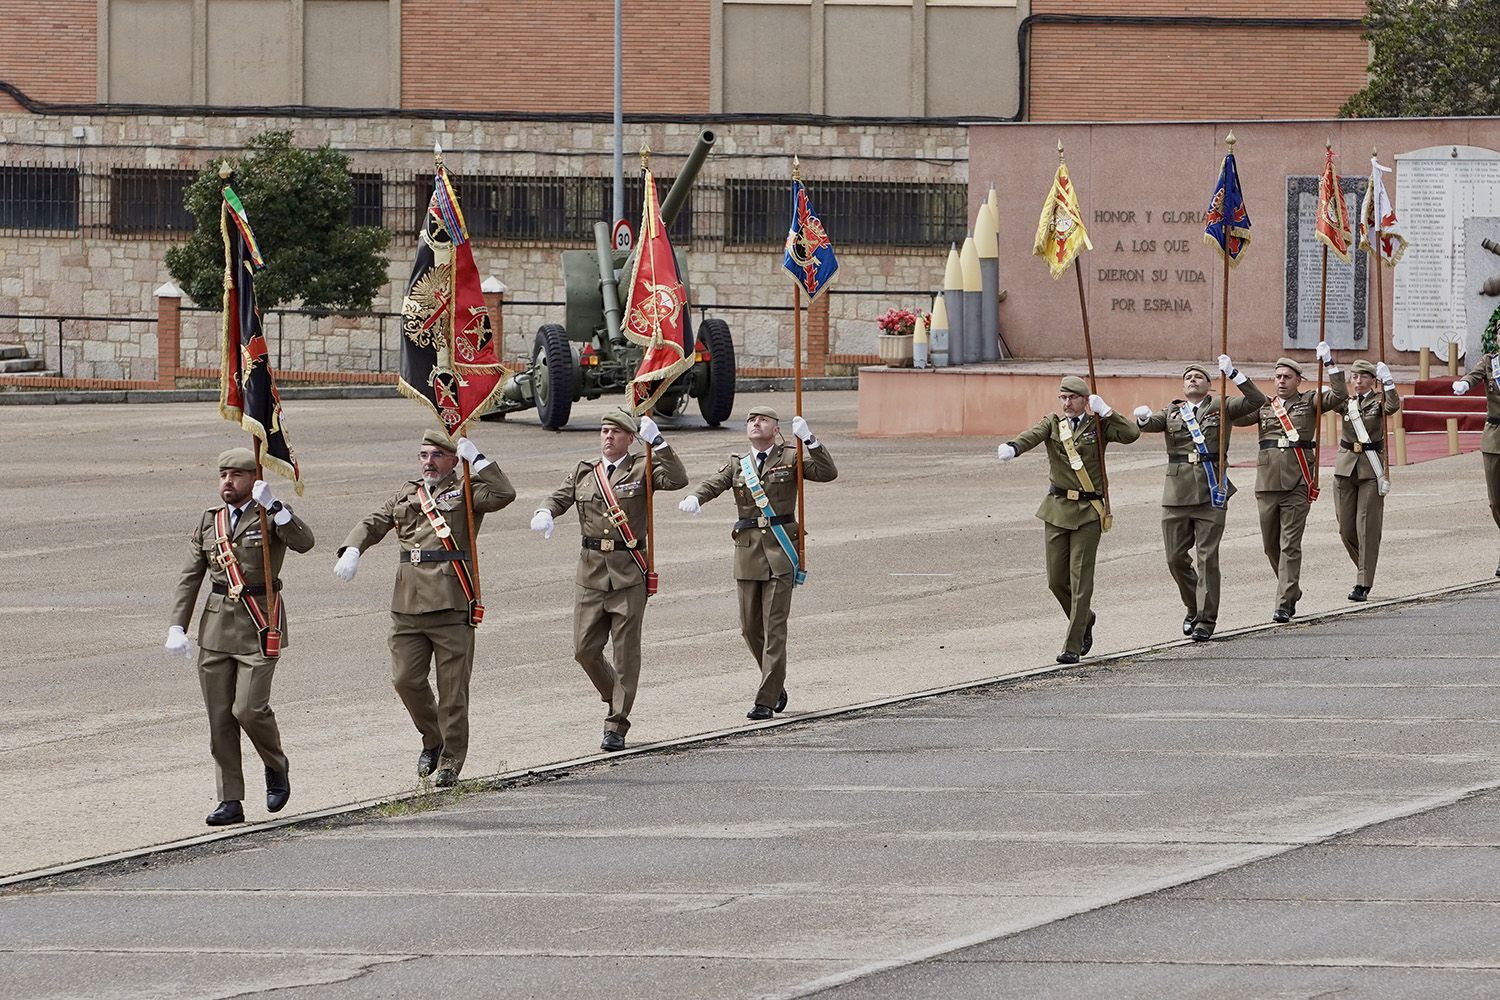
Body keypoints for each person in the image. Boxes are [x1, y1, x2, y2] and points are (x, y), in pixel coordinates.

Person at [333, 430, 514, 787]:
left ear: (452, 459)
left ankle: (450, 761)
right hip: (407, 604)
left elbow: (504, 494)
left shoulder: (468, 491)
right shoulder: (407, 493)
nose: (428, 462)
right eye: (423, 455)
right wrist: (353, 548)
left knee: (452, 691)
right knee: (406, 681)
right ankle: (432, 738)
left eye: (436, 455)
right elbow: (374, 521)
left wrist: (477, 459)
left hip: (450, 602)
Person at [167, 447, 315, 826]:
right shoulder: (209, 522)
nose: (227, 482)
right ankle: (230, 799)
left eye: (236, 476)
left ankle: (275, 763)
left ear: (253, 479)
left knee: (248, 709)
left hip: (260, 624)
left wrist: (277, 506)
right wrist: (177, 626)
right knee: (220, 719)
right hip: (216, 629)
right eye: (222, 476)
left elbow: (305, 542)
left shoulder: (269, 515)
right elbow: (190, 577)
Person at [530, 410, 686, 752]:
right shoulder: (585, 472)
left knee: (626, 653)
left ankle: (617, 723)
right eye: (604, 431)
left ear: (631, 438)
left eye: (617, 432)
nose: (608, 437)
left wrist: (658, 442)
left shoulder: (643, 467)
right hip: (590, 572)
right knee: (584, 650)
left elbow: (677, 480)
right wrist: (545, 511)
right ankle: (616, 693)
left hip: (628, 570)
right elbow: (559, 496)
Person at [679, 406, 837, 719]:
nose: (755, 423)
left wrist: (811, 440)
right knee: (750, 628)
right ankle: (775, 683)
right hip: (748, 552)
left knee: (774, 627)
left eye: (762, 420)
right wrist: (696, 497)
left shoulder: (791, 457)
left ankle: (765, 699)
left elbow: (827, 472)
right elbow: (714, 482)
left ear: (776, 429)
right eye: (751, 420)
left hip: (780, 550)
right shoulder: (738, 464)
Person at [998, 376, 1139, 663]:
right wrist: (1014, 447)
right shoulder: (1053, 424)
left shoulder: (1098, 425)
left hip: (1088, 511)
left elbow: (1131, 434)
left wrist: (1107, 411)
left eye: (1072, 398)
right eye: (1062, 398)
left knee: (1081, 579)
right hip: (1057, 508)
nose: (1066, 403)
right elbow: (1032, 435)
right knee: (1056, 580)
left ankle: (1072, 645)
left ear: (1085, 400)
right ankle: (1086, 618)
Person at [1133, 355, 1266, 640]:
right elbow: (1150, 424)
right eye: (1188, 378)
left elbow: (1257, 402)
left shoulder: (1223, 406)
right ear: (1183, 386)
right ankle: (1193, 606)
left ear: (1209, 385)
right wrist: (1142, 418)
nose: (1192, 380)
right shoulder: (1172, 411)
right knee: (1175, 558)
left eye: (1198, 377)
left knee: (1207, 558)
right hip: (1177, 493)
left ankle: (1205, 620)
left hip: (1211, 491)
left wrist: (1234, 374)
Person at [1232, 344, 1346, 622]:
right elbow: (1235, 417)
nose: (1281, 381)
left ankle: (1283, 602)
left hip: (1297, 481)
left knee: (1289, 545)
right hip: (1267, 483)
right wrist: (1237, 377)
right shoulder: (1264, 406)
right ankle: (1291, 588)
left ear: (1299, 380)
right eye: (1278, 377)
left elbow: (1340, 394)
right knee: (1270, 546)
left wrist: (1330, 363)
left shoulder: (1310, 401)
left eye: (1287, 377)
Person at [1333, 357, 1402, 600]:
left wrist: (1389, 381)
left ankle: (1363, 583)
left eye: (1364, 377)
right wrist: (1331, 366)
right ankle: (1365, 566)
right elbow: (1335, 394)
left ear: (1373, 380)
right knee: (1346, 530)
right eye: (1355, 376)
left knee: (1366, 528)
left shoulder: (1379, 401)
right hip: (1345, 468)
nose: (1359, 381)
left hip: (1371, 469)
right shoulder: (1346, 402)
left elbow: (1393, 406)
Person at [1453, 350, 1500, 577]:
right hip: (1495, 436)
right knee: (1496, 502)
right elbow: (1474, 375)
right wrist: (1464, 384)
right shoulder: (1491, 362)